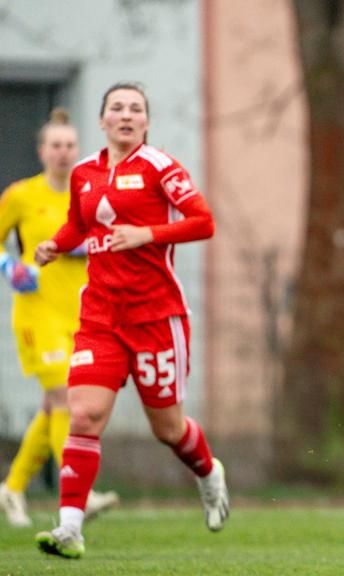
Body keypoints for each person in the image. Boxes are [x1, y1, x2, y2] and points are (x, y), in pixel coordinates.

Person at [32, 83, 229, 559]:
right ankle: (70, 529)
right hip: (100, 316)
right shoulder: (83, 173)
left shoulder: (159, 168)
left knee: (168, 430)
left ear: (145, 122)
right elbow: (80, 224)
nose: (125, 115)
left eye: (135, 109)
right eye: (116, 108)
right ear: (101, 121)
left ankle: (208, 473)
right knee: (84, 414)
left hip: (156, 318)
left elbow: (203, 221)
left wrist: (147, 233)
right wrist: (56, 244)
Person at [0, 108, 120, 528]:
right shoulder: (21, 196)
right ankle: (78, 496)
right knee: (65, 399)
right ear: (42, 151)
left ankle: (11, 488)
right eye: (56, 145)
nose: (63, 153)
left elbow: (112, 235)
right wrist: (9, 267)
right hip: (37, 316)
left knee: (55, 407)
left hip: (82, 314)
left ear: (78, 149)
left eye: (70, 145)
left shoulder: (90, 192)